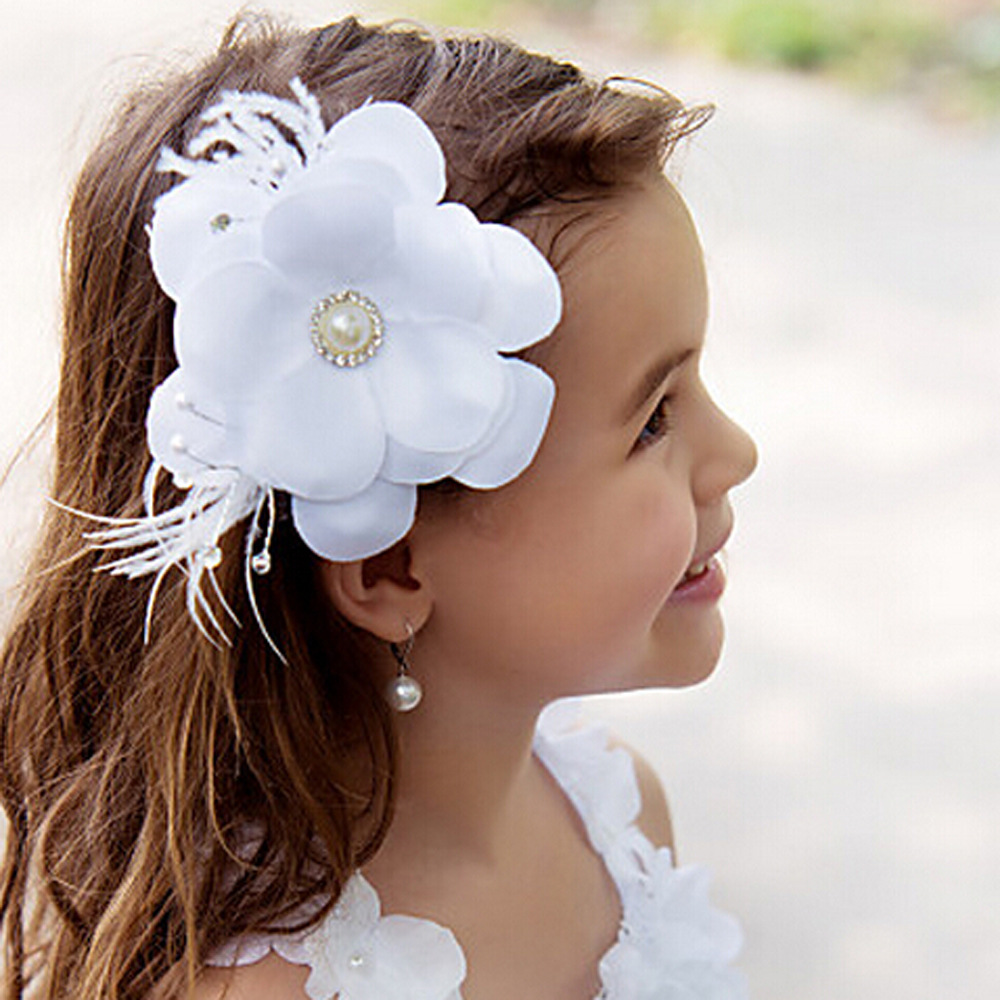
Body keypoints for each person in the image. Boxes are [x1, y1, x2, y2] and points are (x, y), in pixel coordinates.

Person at [0, 12, 758, 1000]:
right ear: (388, 568)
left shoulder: (616, 820)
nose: (736, 453)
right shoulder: (261, 988)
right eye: (652, 419)